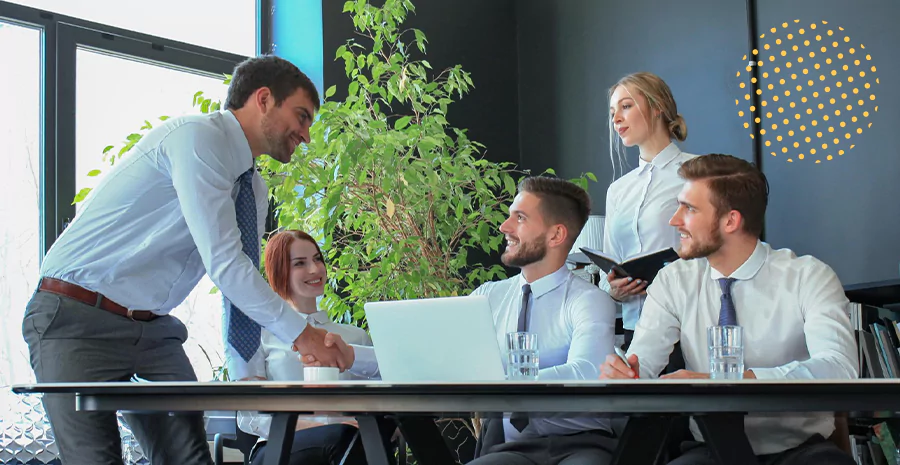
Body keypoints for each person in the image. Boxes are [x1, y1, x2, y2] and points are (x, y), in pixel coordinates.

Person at [21, 55, 352, 465]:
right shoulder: (197, 139)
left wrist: (249, 374)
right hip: (76, 316)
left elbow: (237, 285)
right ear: (264, 99)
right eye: (301, 117)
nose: (305, 135)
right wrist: (303, 335)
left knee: (188, 458)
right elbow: (225, 264)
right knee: (96, 459)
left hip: (153, 331)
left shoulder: (255, 189)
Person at [307, 176, 619, 465]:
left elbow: (586, 372)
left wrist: (498, 381)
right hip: (512, 451)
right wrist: (349, 356)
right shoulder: (488, 297)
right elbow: (424, 359)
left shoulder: (588, 301)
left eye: (520, 218)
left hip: (580, 445)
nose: (504, 226)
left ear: (556, 235)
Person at [599, 154, 858, 465]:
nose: (674, 219)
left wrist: (729, 380)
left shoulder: (809, 277)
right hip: (709, 450)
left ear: (731, 221)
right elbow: (644, 363)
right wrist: (626, 371)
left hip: (800, 450)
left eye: (689, 209)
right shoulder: (672, 280)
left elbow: (838, 368)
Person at [239, 230, 389, 465]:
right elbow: (248, 416)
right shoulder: (259, 336)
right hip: (279, 448)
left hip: (353, 440)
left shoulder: (354, 337)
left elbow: (388, 399)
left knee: (365, 438)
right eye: (300, 263)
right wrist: (319, 425)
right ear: (280, 271)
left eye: (317, 259)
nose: (314, 269)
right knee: (346, 437)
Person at [602, 72, 697, 349]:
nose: (616, 118)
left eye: (626, 106)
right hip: (636, 329)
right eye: (613, 111)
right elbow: (612, 261)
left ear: (657, 107)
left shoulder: (698, 173)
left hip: (687, 326)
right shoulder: (618, 190)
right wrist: (615, 291)